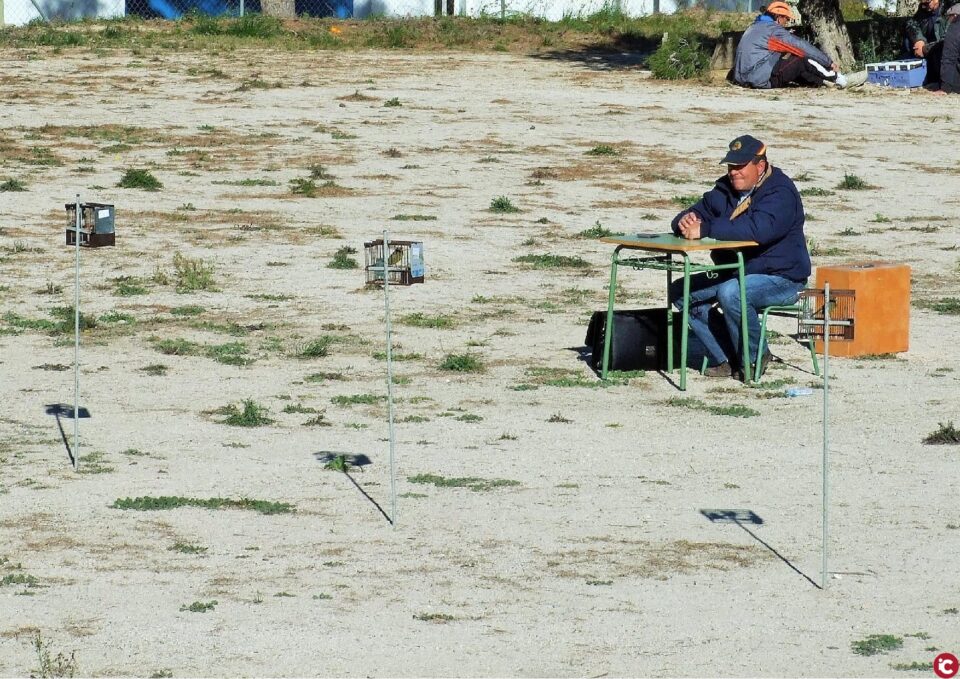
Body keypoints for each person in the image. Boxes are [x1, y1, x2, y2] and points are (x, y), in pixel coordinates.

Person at [670, 135, 811, 380]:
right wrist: (683, 221)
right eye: (731, 166)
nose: (733, 172)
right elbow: (694, 211)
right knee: (682, 291)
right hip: (737, 271)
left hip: (781, 277)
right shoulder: (724, 189)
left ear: (760, 165)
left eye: (739, 166)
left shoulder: (780, 191)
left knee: (731, 293)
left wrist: (706, 228)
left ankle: (754, 358)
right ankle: (728, 357)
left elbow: (759, 230)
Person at [734, 1, 867, 89]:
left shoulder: (755, 26)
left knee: (794, 65)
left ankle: (824, 83)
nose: (787, 21)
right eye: (786, 18)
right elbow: (800, 46)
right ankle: (840, 79)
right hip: (758, 79)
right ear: (778, 16)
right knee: (800, 59)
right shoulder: (773, 31)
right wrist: (828, 62)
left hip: (744, 77)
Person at [905, 0, 957, 86]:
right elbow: (911, 23)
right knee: (907, 42)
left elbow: (948, 41)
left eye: (928, 2)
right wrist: (918, 40)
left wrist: (924, 49)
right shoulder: (923, 10)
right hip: (927, 54)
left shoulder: (952, 10)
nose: (926, 6)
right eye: (923, 3)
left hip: (943, 55)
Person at [940, 4, 960, 92]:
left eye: (949, 17)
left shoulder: (955, 28)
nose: (948, 20)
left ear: (955, 16)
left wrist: (945, 88)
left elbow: (948, 58)